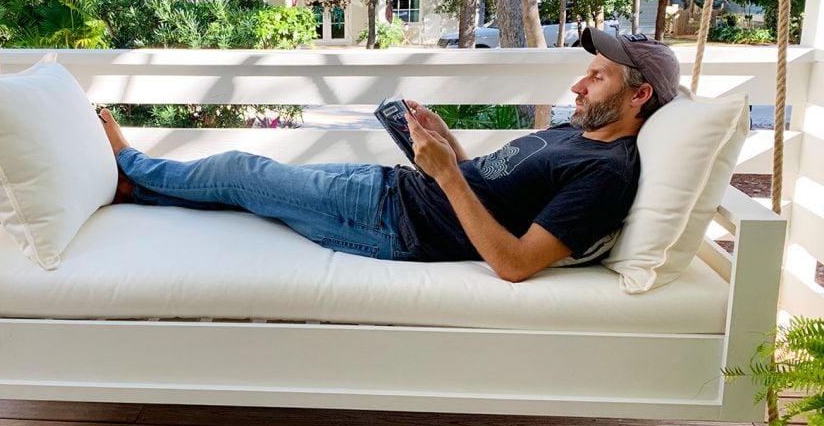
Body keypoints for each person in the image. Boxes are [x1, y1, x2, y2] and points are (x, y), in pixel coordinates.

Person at [99, 28, 680, 282]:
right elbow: (494, 189)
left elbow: (516, 263)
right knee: (252, 192)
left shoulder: (605, 174)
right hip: (394, 190)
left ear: (639, 95)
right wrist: (445, 142)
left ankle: (130, 165)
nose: (579, 87)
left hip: (390, 222)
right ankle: (138, 190)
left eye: (597, 79)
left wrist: (447, 175)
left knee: (242, 172)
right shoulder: (579, 135)